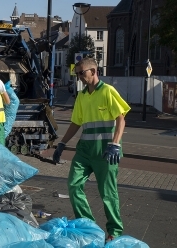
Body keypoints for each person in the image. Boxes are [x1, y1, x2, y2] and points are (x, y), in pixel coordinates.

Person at [52, 58, 131, 243]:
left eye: (81, 72)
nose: (79, 76)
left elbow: (121, 119)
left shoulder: (107, 91)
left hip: (106, 151)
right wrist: (62, 143)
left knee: (108, 193)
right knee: (73, 185)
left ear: (94, 71)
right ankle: (89, 225)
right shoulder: (81, 96)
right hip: (85, 151)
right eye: (77, 73)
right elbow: (76, 122)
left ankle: (115, 231)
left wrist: (115, 144)